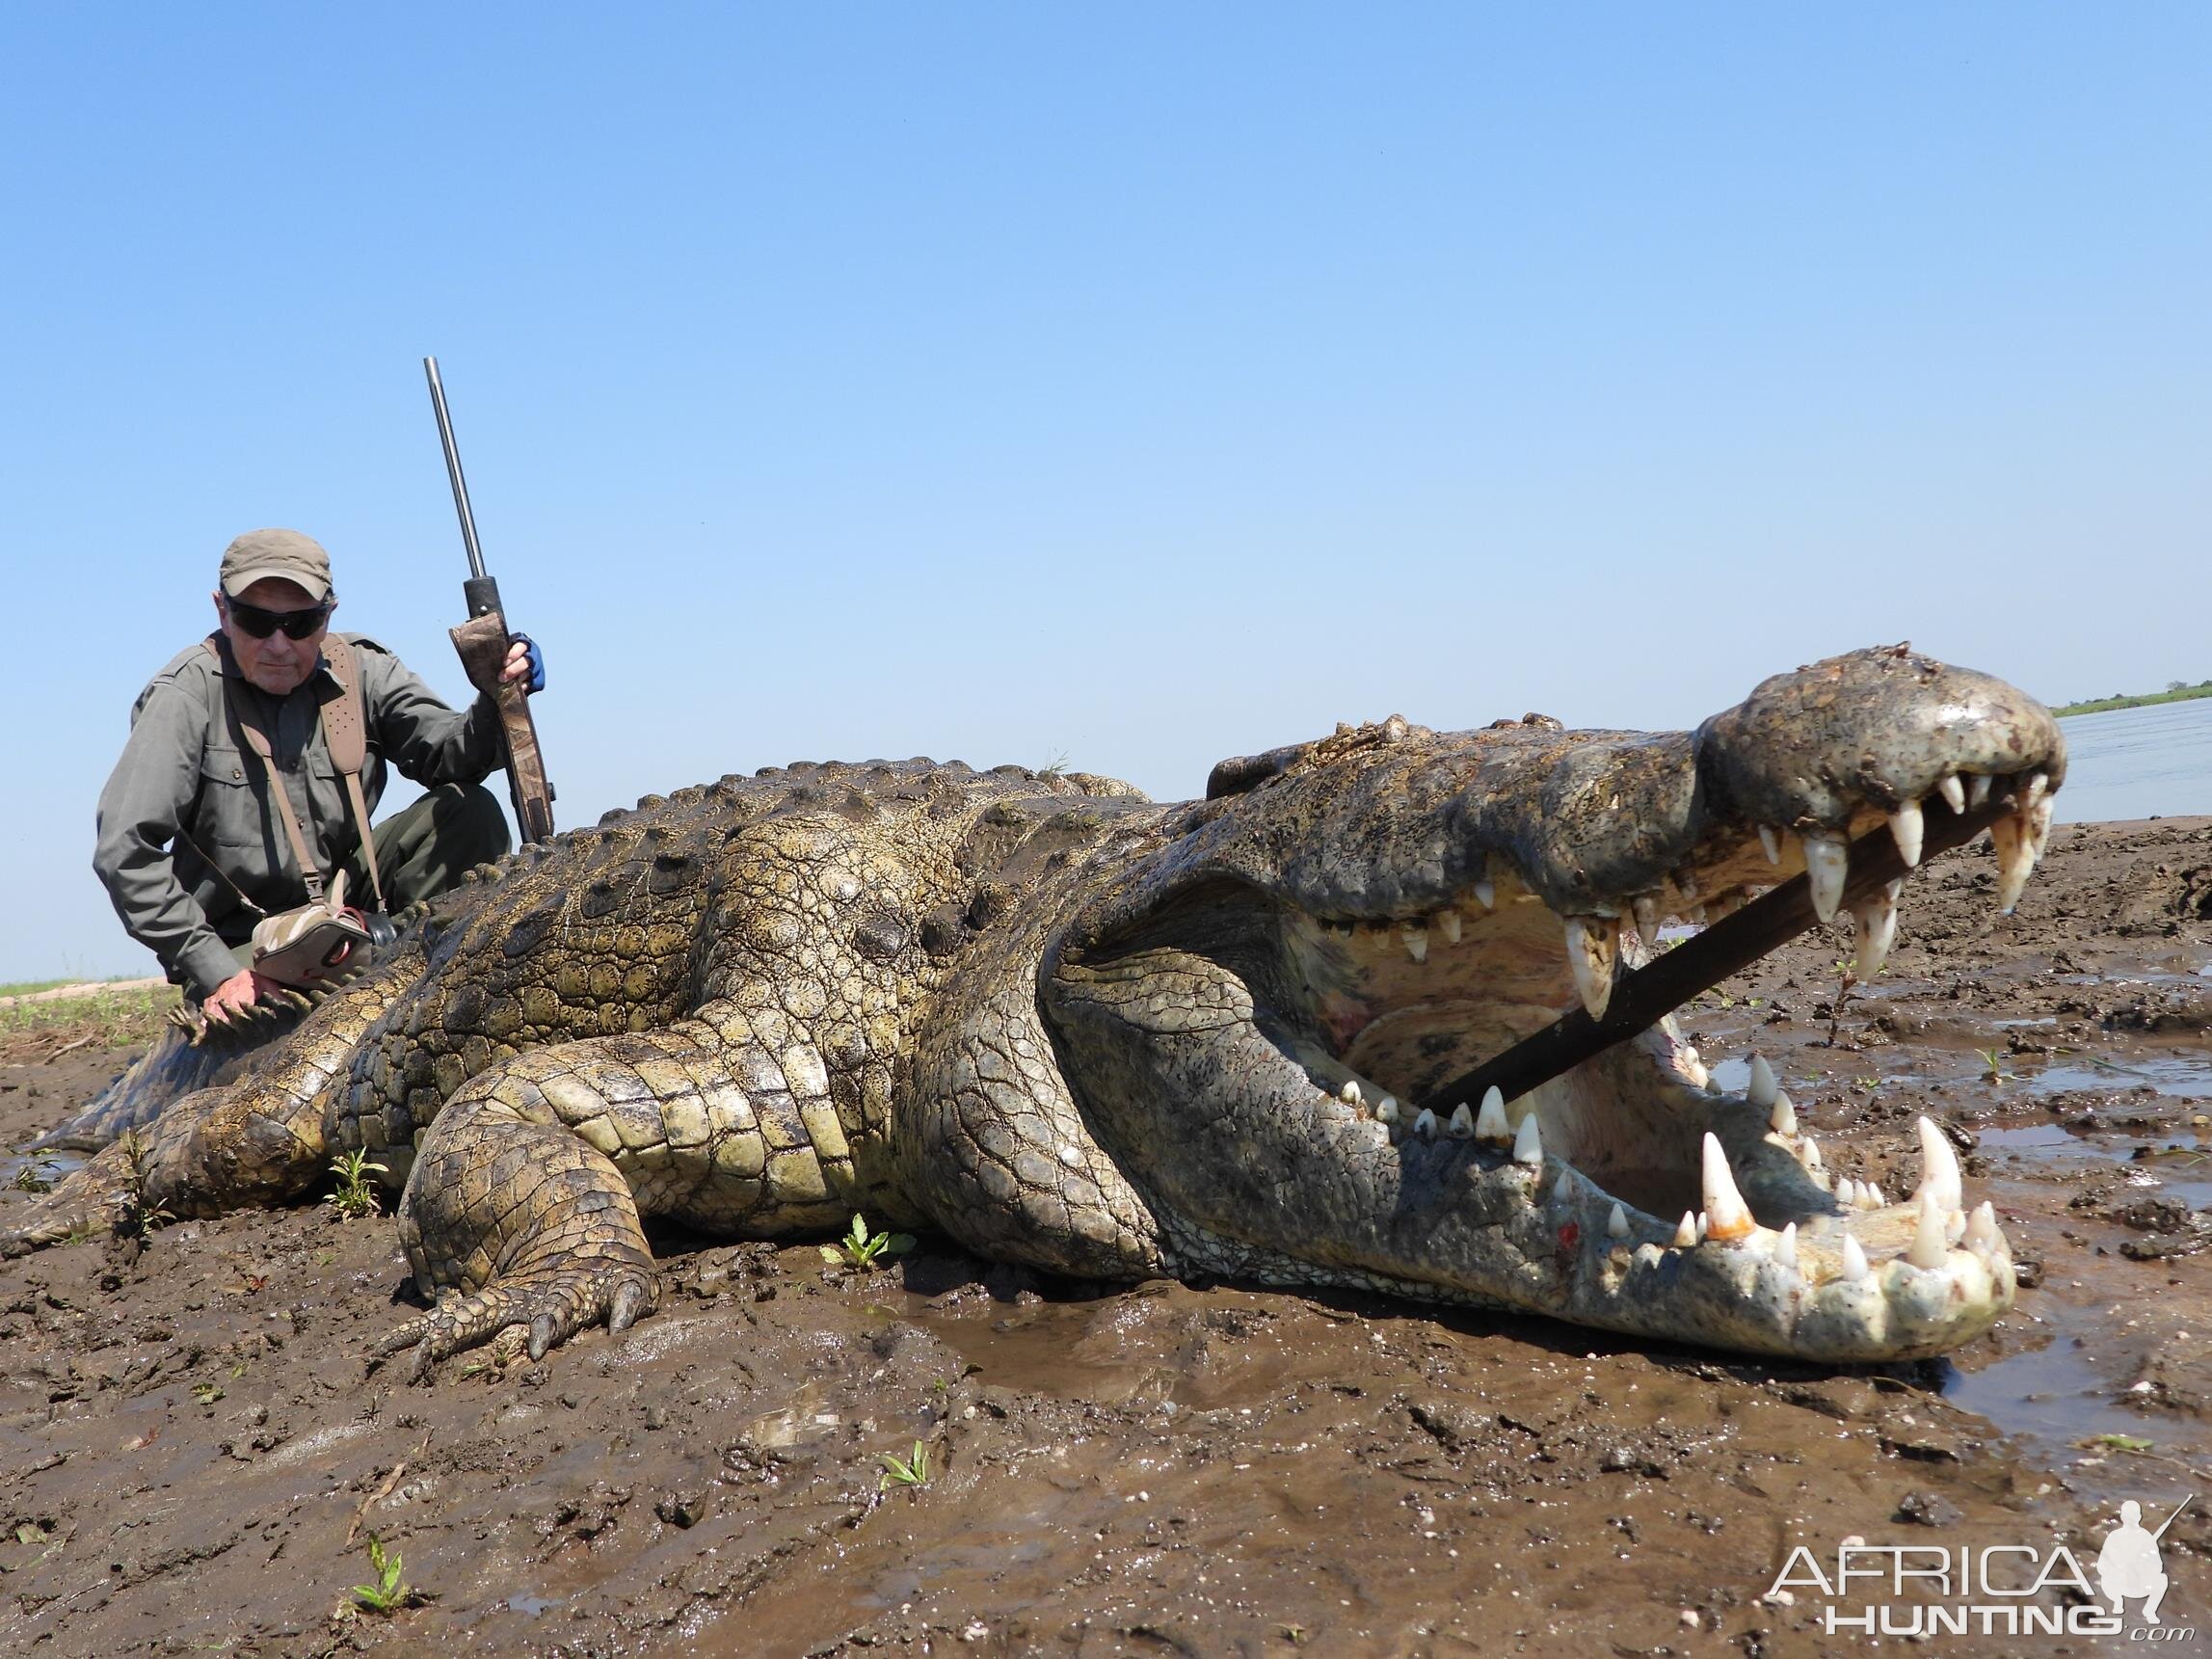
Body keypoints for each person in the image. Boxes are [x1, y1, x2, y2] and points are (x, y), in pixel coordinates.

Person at [94, 528, 542, 1026]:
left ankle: (428, 976)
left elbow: (453, 759)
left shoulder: (362, 670)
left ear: (328, 614)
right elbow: (125, 851)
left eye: (300, 623)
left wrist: (497, 694)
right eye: (256, 621)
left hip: (351, 908)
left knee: (468, 809)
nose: (279, 644)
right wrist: (218, 971)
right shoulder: (185, 695)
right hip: (245, 947)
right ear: (222, 611)